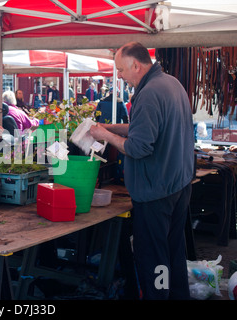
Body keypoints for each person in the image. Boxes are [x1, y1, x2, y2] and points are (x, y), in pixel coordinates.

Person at [90, 42, 194, 300]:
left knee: (155, 259)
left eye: (121, 70)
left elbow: (138, 147)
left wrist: (103, 135)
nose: (120, 76)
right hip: (178, 185)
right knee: (173, 252)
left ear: (136, 65)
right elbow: (146, 130)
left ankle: (158, 297)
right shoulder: (172, 84)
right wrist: (111, 127)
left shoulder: (148, 94)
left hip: (156, 191)